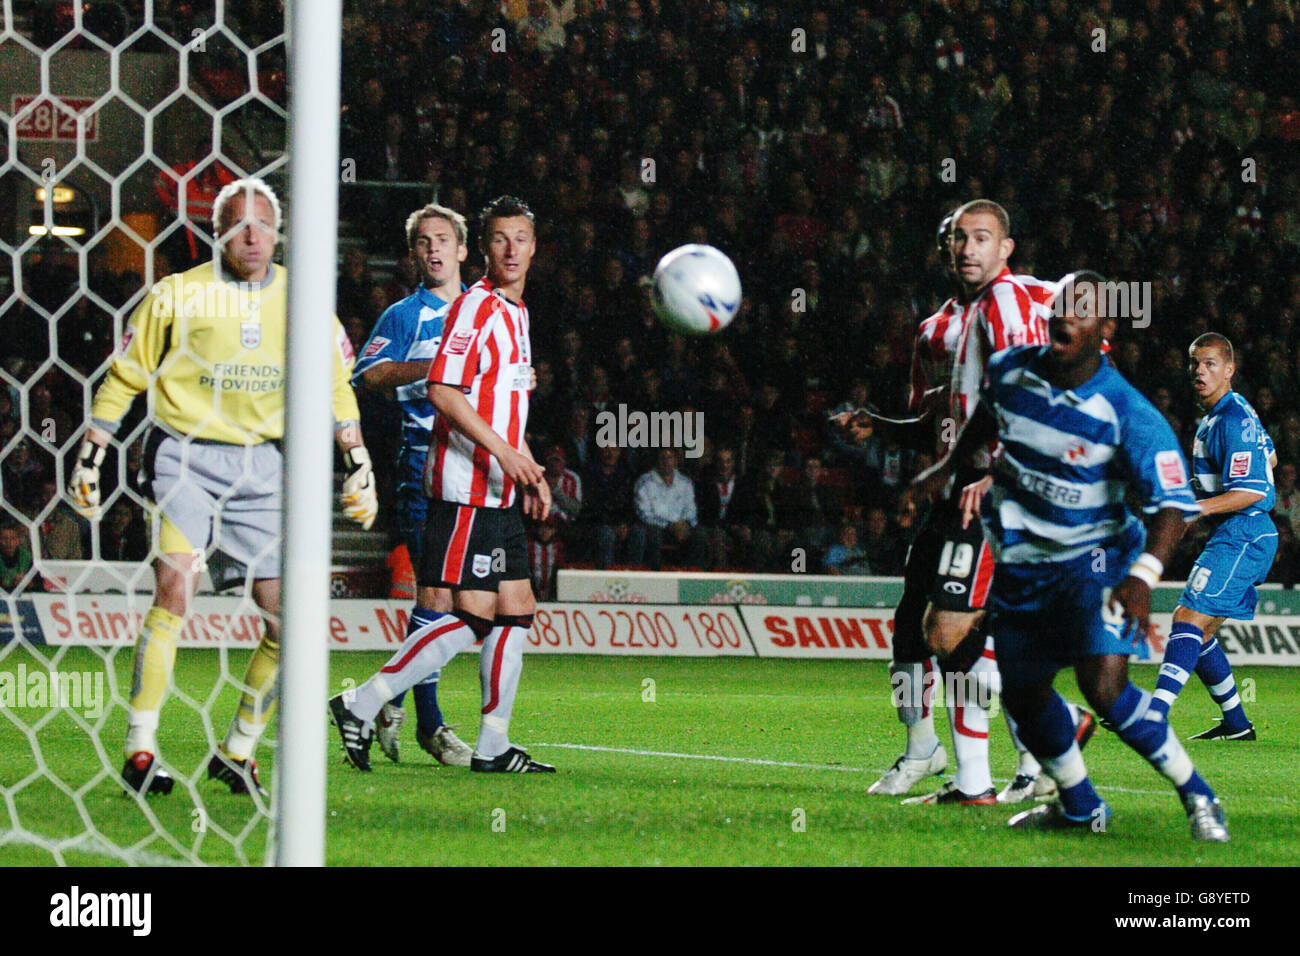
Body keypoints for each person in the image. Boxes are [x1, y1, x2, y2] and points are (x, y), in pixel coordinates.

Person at [67, 177, 379, 798]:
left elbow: (336, 380)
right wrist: (90, 454)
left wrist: (357, 456)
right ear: (217, 233)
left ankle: (237, 750)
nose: (253, 235)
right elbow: (127, 376)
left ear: (280, 231)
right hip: (185, 457)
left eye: (263, 223)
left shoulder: (304, 296)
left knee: (289, 620)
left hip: (262, 468)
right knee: (176, 587)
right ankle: (140, 747)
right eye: (239, 224)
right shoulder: (175, 295)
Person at [916, 271, 1228, 841]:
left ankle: (1199, 795)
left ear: (1104, 329)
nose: (1063, 316)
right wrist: (950, 467)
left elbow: (1172, 508)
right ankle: (1082, 807)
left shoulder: (1127, 412)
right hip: (1024, 564)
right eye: (1059, 305)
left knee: (1103, 688)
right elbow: (987, 417)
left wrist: (1143, 577)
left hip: (1098, 564)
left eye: (1080, 309)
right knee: (1024, 691)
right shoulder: (1012, 371)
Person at [847, 201, 1091, 806]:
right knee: (922, 626)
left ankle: (1032, 741)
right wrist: (886, 433)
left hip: (996, 488)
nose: (966, 248)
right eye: (957, 238)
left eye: (981, 237)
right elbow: (943, 417)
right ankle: (948, 761)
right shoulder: (941, 327)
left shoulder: (1013, 301)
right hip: (960, 487)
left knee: (955, 630)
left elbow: (1029, 391)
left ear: (1005, 247)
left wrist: (1001, 469)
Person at [330, 195, 556, 774]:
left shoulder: (516, 313)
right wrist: (506, 455)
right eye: (499, 238)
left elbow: (499, 405)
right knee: (468, 612)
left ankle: (491, 746)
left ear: (534, 247)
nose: (510, 250)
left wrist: (529, 467)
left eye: (521, 239)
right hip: (463, 485)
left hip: (499, 485)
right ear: (483, 248)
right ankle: (364, 702)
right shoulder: (475, 309)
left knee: (516, 608)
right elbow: (443, 391)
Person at [351, 203, 474, 767]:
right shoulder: (403, 315)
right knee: (437, 596)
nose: (433, 249)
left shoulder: (488, 312)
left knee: (466, 604)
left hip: (478, 469)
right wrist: (429, 368)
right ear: (413, 254)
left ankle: (386, 698)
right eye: (423, 241)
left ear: (462, 250)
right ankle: (429, 724)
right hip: (423, 465)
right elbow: (369, 375)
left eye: (443, 239)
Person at [1146, 333, 1276, 739]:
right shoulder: (1223, 418)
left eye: (1210, 364)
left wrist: (1197, 510)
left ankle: (1152, 716)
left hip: (1245, 533)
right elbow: (1268, 455)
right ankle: (1237, 724)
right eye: (1195, 364)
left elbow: (1255, 490)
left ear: (1229, 370)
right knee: (1198, 632)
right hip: (1242, 534)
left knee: (1186, 619)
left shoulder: (1231, 419)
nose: (1200, 371)